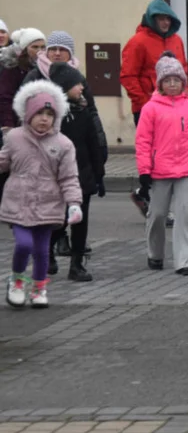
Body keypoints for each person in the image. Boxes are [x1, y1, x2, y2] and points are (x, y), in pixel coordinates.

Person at [1, 81, 83, 309]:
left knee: (41, 249)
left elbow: (68, 177)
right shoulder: (15, 137)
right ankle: (17, 280)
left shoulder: (63, 144)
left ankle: (39, 287)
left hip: (49, 204)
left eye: (49, 114)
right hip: (19, 202)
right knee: (24, 244)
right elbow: (4, 162)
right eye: (39, 113)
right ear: (28, 114)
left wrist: (74, 203)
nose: (44, 119)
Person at [135, 52, 188, 276]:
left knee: (185, 215)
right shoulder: (150, 108)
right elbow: (143, 141)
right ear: (161, 83)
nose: (173, 84)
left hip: (186, 168)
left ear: (183, 83)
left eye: (176, 80)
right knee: (157, 215)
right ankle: (155, 253)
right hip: (159, 170)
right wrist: (144, 170)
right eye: (168, 80)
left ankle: (183, 260)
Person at [47, 63, 107, 283]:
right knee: (59, 220)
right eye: (76, 84)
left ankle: (77, 264)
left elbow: (93, 144)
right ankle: (47, 253)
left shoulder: (83, 111)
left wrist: (99, 174)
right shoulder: (50, 116)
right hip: (57, 178)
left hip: (83, 176)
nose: (82, 87)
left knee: (81, 221)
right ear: (63, 87)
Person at [120, 0, 187, 125]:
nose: (166, 23)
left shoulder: (177, 40)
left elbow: (184, 71)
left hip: (176, 105)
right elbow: (128, 76)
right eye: (161, 19)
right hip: (147, 107)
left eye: (168, 19)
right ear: (152, 19)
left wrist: (185, 98)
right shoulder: (137, 42)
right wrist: (144, 103)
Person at [0, 29, 47, 129]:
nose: (40, 51)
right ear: (25, 49)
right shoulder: (12, 69)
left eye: (43, 47)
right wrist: (8, 126)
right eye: (35, 47)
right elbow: (5, 99)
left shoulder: (46, 67)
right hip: (17, 123)